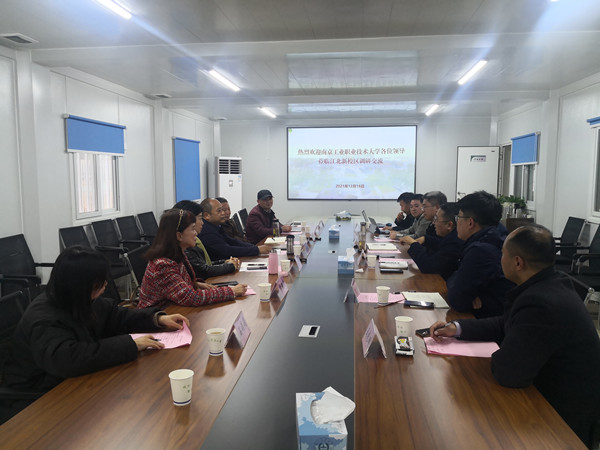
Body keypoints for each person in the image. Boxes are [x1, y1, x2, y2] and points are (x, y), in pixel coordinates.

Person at [429, 225, 600, 448]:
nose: (499, 259)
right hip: (547, 393)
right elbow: (506, 323)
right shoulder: (550, 283)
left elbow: (508, 372)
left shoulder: (540, 303)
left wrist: (500, 351)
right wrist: (457, 328)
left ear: (518, 262)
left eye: (502, 253)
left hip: (559, 419)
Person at [0, 246, 190, 421]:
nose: (106, 284)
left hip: (75, 383)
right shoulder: (43, 319)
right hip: (38, 398)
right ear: (80, 284)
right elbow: (71, 359)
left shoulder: (77, 299)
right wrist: (131, 344)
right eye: (99, 282)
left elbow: (118, 316)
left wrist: (157, 319)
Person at [138, 209, 247, 309]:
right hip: (156, 317)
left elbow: (177, 285)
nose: (196, 233)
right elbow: (192, 298)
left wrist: (194, 284)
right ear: (179, 236)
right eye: (192, 229)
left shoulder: (178, 253)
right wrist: (231, 291)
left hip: (174, 309)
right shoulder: (162, 264)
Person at [446, 191, 515, 318]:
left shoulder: (481, 250)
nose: (456, 223)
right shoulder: (497, 236)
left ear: (470, 222)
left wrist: (457, 283)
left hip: (490, 320)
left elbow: (456, 299)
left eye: (458, 218)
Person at [173, 200, 240, 280]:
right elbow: (204, 270)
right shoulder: (184, 248)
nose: (202, 223)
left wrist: (225, 262)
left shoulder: (192, 242)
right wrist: (231, 266)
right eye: (200, 218)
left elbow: (203, 264)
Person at [400, 202, 462, 280]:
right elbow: (439, 243)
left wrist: (413, 244)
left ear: (449, 225)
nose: (433, 222)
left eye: (436, 219)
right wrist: (426, 239)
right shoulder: (451, 237)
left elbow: (429, 266)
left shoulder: (454, 241)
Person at [198, 198, 271, 260]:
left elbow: (232, 241)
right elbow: (227, 251)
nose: (223, 213)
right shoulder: (207, 232)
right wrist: (256, 250)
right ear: (207, 215)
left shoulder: (216, 226)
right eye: (219, 211)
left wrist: (255, 248)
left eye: (223, 210)